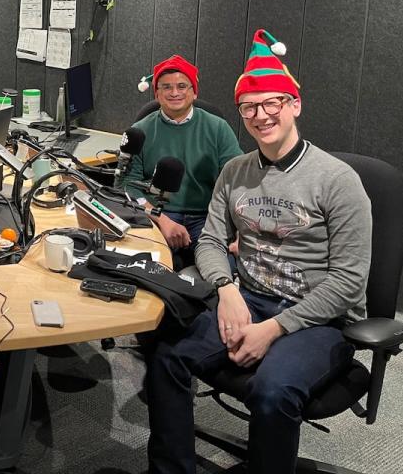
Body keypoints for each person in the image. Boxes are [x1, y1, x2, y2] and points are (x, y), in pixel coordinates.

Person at [145, 29, 372, 474]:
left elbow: (349, 281)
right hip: (247, 298)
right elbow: (210, 240)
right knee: (166, 354)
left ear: (295, 105)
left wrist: (274, 329)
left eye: (273, 103)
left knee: (271, 392)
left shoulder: (337, 180)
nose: (260, 115)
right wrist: (227, 290)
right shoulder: (235, 172)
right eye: (249, 107)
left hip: (316, 320)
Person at [125, 54, 243, 269]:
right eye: (166, 87)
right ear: (157, 94)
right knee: (146, 271)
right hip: (157, 217)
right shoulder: (140, 131)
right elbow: (127, 188)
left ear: (194, 91)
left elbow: (237, 182)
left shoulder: (217, 128)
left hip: (206, 217)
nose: (175, 93)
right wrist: (161, 219)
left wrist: (239, 229)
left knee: (219, 270)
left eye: (182, 86)